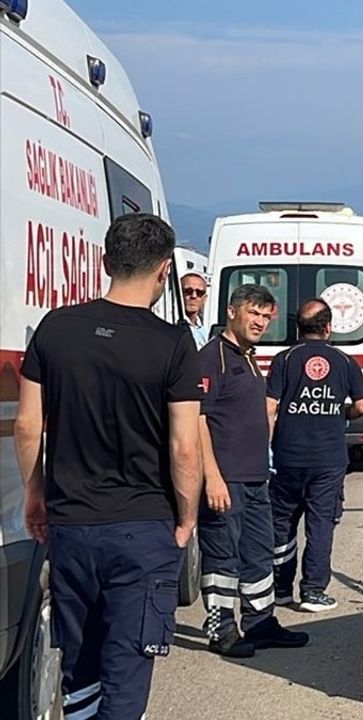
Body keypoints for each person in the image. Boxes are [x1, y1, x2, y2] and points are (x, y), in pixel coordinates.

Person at [14, 213, 203, 719]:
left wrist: (36, 493)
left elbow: (29, 426)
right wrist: (187, 516)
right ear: (165, 271)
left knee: (81, 669)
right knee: (126, 671)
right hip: (143, 528)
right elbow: (185, 446)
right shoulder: (174, 344)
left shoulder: (56, 327)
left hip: (72, 524)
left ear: (105, 262)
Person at [198, 284, 309, 656]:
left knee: (259, 553)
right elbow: (196, 420)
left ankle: (260, 622)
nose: (260, 321)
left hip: (256, 477)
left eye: (266, 315)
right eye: (253, 313)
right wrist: (211, 476)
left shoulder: (246, 355)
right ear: (232, 311)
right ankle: (221, 629)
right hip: (224, 479)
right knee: (221, 557)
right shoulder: (212, 356)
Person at [267, 298, 363, 612]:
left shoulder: (284, 360)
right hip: (327, 461)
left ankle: (281, 588)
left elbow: (269, 409)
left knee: (282, 523)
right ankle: (312, 592)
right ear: (329, 327)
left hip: (287, 457)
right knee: (320, 524)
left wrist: (265, 449)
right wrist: (340, 414)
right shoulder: (344, 361)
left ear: (298, 328)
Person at [182, 273, 210, 347]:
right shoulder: (172, 326)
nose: (194, 296)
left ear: (204, 299)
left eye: (199, 293)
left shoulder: (206, 331)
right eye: (188, 291)